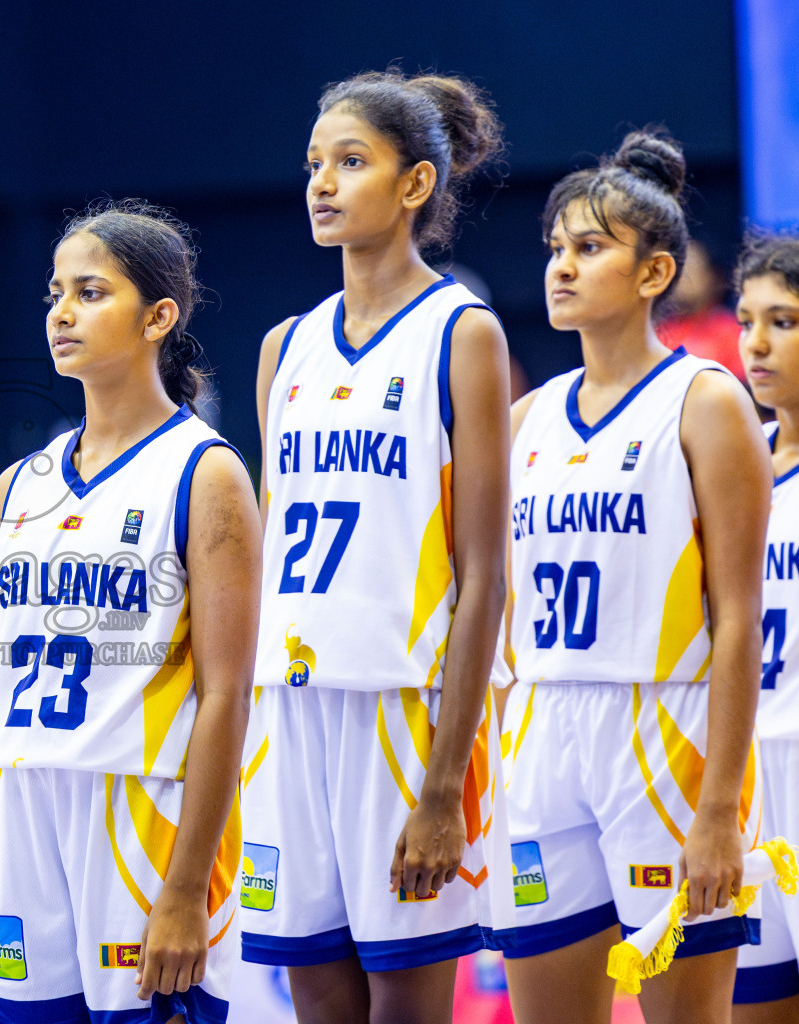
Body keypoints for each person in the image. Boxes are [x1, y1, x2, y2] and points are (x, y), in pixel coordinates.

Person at [0, 200, 260, 1023]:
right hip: (17, 814)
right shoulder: (16, 485)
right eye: (54, 293)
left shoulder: (206, 473)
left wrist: (185, 888)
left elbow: (226, 697)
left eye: (91, 292)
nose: (62, 312)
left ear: (158, 317)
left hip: (140, 818)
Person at [242, 70, 513, 1024]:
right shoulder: (286, 347)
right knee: (315, 996)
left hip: (403, 713)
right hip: (288, 710)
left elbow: (485, 575)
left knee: (404, 1003)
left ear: (416, 185)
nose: (322, 182)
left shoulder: (461, 334)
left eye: (351, 162)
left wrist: (445, 781)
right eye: (315, 163)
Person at [502, 129, 768, 1024]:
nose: (561, 268)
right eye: (555, 249)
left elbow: (737, 618)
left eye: (589, 248)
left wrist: (721, 809)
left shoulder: (706, 399)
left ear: (654, 274)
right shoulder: (526, 417)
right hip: (542, 734)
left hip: (664, 729)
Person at [732, 233, 799, 1021]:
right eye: (747, 320)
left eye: (783, 321)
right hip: (746, 778)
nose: (755, 343)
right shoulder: (732, 464)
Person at [659, 239, 745, 380]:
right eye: (678, 271)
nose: (683, 279)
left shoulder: (732, 332)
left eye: (692, 269)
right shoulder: (658, 332)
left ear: (714, 276)